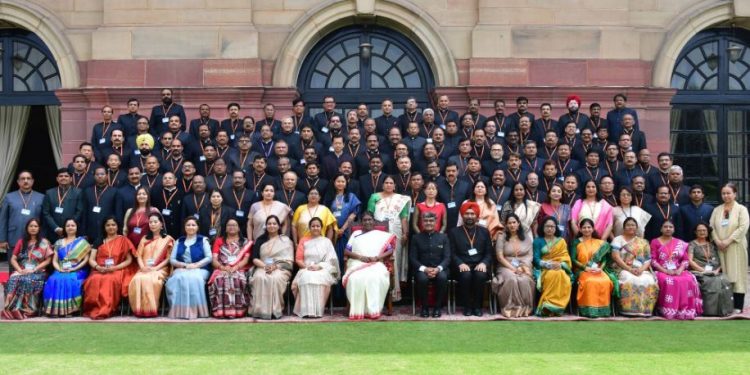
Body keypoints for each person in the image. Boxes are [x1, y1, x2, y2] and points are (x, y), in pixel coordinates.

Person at [343, 212, 395, 320]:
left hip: (376, 263)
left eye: (370, 220)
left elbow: (390, 250)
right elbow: (347, 251)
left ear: (374, 222)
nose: (367, 222)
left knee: (376, 277)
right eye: (365, 220)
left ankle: (373, 310)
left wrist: (377, 257)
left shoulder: (380, 235)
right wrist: (360, 257)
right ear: (361, 222)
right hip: (358, 262)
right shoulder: (356, 234)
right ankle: (357, 311)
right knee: (354, 278)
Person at [82, 217, 136, 320]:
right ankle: (93, 308)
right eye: (108, 225)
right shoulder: (99, 240)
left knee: (109, 280)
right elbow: (91, 259)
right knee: (93, 280)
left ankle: (106, 309)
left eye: (113, 225)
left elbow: (129, 260)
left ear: (117, 226)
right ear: (104, 227)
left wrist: (115, 267)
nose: (111, 227)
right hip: (100, 270)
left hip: (118, 269)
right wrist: (98, 267)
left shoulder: (123, 240)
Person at [367, 175, 410, 301]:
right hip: (378, 231)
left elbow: (403, 218)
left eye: (391, 183)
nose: (389, 185)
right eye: (386, 182)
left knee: (394, 260)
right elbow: (369, 215)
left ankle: (394, 294)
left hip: (395, 231)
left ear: (395, 185)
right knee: (379, 259)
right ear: (382, 184)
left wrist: (405, 233)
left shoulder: (400, 199)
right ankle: (379, 294)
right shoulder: (374, 197)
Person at [650, 220, 702, 320]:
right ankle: (668, 310)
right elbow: (653, 260)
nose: (668, 229)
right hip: (661, 270)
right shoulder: (655, 242)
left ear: (674, 229)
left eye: (670, 227)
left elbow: (685, 260)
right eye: (665, 227)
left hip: (678, 270)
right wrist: (665, 271)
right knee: (668, 281)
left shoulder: (680, 243)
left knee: (688, 280)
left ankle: (684, 310)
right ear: (661, 229)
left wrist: (679, 270)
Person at [709, 183, 749, 314]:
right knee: (723, 274)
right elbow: (711, 227)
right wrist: (717, 241)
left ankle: (738, 306)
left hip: (735, 246)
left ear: (735, 194)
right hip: (720, 247)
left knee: (737, 274)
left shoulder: (741, 209)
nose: (726, 196)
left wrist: (728, 241)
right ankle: (725, 306)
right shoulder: (717, 210)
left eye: (728, 193)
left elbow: (743, 227)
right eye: (723, 193)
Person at [2, 219, 52, 319]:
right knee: (13, 279)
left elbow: (48, 260)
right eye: (31, 226)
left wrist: (34, 269)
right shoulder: (21, 242)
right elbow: (13, 259)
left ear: (39, 228)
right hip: (22, 270)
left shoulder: (44, 242)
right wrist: (20, 271)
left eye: (35, 226)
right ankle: (11, 308)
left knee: (28, 280)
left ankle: (29, 309)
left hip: (38, 271)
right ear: (27, 228)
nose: (33, 228)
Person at [609, 218, 658, 317]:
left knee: (648, 280)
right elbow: (616, 257)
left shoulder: (643, 242)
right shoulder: (618, 240)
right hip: (622, 268)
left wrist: (641, 269)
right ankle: (628, 310)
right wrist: (629, 269)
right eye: (628, 225)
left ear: (636, 228)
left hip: (640, 269)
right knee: (630, 279)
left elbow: (648, 259)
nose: (630, 227)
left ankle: (645, 310)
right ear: (623, 227)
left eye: (633, 225)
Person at [128, 213, 174, 317]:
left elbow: (168, 258)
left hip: (160, 269)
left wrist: (155, 268)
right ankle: (139, 310)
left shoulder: (168, 239)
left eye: (155, 222)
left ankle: (150, 310)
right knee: (136, 279)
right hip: (144, 268)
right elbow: (138, 255)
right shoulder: (144, 238)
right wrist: (143, 267)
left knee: (151, 280)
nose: (152, 224)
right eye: (150, 222)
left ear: (161, 224)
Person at [450, 202, 492, 316]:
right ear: (462, 215)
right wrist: (460, 263)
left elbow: (489, 253)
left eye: (472, 214)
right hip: (462, 265)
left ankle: (477, 306)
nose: (469, 216)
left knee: (480, 275)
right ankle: (467, 306)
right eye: (467, 214)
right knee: (466, 275)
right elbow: (452, 253)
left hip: (480, 264)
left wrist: (484, 263)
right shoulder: (454, 232)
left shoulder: (484, 232)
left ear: (477, 216)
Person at [292, 217, 340, 318]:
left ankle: (318, 310)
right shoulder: (303, 240)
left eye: (317, 226)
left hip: (323, 269)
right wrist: (307, 267)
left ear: (321, 228)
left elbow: (332, 260)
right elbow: (298, 259)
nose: (315, 228)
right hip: (306, 268)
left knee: (319, 278)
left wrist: (319, 266)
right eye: (313, 226)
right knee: (306, 277)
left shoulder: (326, 241)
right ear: (309, 228)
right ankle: (305, 310)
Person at [42, 219, 91, 317]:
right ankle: (54, 310)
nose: (70, 227)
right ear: (64, 228)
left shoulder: (82, 242)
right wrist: (59, 269)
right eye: (68, 225)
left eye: (73, 225)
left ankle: (70, 310)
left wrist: (74, 268)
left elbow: (86, 259)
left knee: (70, 279)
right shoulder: (58, 242)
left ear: (77, 227)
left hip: (77, 269)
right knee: (53, 279)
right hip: (60, 269)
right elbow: (54, 260)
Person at [249, 215, 294, 319]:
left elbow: (289, 260)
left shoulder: (285, 240)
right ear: (266, 226)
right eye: (269, 223)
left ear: (279, 226)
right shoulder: (260, 239)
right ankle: (259, 311)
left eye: (274, 223)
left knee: (275, 278)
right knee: (259, 278)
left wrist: (275, 266)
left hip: (281, 268)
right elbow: (254, 258)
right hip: (262, 266)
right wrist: (265, 266)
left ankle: (274, 310)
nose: (272, 226)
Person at [166, 217, 212, 319]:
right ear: (184, 227)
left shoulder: (203, 240)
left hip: (201, 269)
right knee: (178, 278)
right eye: (188, 225)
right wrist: (184, 265)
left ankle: (195, 311)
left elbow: (209, 257)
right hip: (182, 268)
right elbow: (172, 260)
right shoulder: (179, 241)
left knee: (193, 279)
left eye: (193, 225)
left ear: (197, 227)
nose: (190, 227)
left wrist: (195, 265)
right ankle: (179, 311)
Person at [208, 218, 252, 319]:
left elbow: (245, 260)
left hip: (239, 268)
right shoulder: (219, 241)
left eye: (234, 225)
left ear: (239, 228)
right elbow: (214, 259)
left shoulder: (245, 242)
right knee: (220, 279)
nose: (232, 227)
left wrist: (235, 267)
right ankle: (220, 311)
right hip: (221, 268)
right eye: (229, 225)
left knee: (237, 279)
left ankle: (238, 311)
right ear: (226, 228)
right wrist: (222, 267)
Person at [493, 213, 535, 318]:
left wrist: (523, 267)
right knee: (512, 279)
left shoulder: (526, 238)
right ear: (506, 225)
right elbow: (500, 257)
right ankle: (510, 308)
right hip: (505, 266)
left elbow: (529, 256)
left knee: (524, 280)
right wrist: (513, 269)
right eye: (509, 223)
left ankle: (525, 308)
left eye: (514, 222)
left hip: (523, 266)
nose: (512, 225)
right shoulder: (501, 237)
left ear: (518, 223)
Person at [410, 212, 450, 318]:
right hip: (421, 269)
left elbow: (447, 258)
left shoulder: (443, 237)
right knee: (422, 279)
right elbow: (413, 258)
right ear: (422, 222)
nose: (428, 223)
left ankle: (437, 307)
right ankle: (424, 308)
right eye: (426, 221)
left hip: (440, 268)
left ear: (436, 222)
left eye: (431, 221)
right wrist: (425, 269)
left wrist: (438, 269)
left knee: (442, 277)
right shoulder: (416, 238)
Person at [571, 218, 613, 318]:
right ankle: (588, 310)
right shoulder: (576, 242)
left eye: (589, 227)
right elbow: (573, 259)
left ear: (593, 229)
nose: (587, 229)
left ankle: (603, 311)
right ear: (580, 229)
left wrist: (601, 268)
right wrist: (585, 268)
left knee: (606, 281)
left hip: (597, 270)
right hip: (582, 270)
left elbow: (604, 259)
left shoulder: (600, 243)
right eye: (584, 227)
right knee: (590, 282)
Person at [689, 222, 733, 317]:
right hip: (699, 272)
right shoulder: (692, 244)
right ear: (695, 232)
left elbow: (720, 259)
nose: (702, 232)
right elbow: (690, 261)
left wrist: (717, 270)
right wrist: (703, 271)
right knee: (711, 282)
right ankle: (710, 311)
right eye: (699, 230)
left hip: (714, 271)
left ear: (708, 232)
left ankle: (725, 310)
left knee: (724, 280)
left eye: (704, 230)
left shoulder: (712, 245)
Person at [533, 216, 572, 316]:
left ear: (556, 228)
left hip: (559, 267)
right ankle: (547, 306)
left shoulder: (561, 241)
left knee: (562, 276)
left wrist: (561, 264)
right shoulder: (538, 241)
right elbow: (536, 259)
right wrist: (548, 265)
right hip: (544, 269)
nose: (550, 229)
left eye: (552, 226)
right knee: (551, 275)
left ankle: (557, 308)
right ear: (543, 227)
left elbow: (565, 257)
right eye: (547, 226)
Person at [324, 174, 361, 274]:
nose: (340, 183)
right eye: (338, 181)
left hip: (346, 232)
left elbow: (353, 214)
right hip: (332, 232)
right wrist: (335, 229)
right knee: (332, 258)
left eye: (342, 181)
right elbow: (326, 214)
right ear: (334, 183)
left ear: (346, 183)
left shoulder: (351, 196)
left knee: (346, 259)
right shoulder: (329, 197)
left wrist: (342, 229)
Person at [0, 171, 44, 253]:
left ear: (32, 181)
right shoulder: (9, 197)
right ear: (18, 181)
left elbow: (44, 220)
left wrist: (44, 238)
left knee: (33, 265)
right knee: (13, 264)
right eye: (23, 179)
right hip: (13, 238)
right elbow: (3, 219)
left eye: (28, 178)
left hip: (35, 240)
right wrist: (2, 239)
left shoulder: (41, 197)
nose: (26, 181)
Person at [42, 168, 84, 241]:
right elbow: (46, 212)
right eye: (61, 176)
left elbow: (79, 211)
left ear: (71, 179)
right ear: (57, 179)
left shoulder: (78, 192)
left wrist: (69, 226)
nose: (63, 178)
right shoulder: (49, 193)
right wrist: (55, 227)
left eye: (66, 176)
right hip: (53, 232)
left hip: (72, 232)